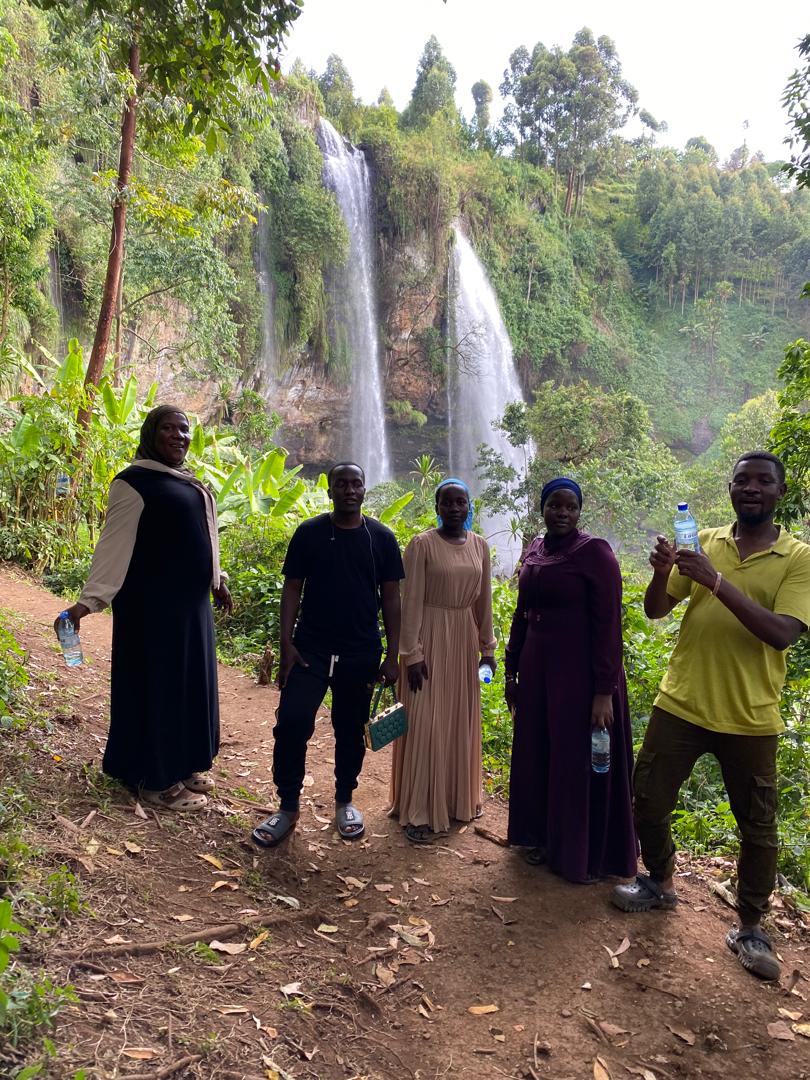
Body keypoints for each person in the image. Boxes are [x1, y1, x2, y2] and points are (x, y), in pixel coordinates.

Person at [612, 452, 810, 981]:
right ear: (729, 489)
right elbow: (657, 609)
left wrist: (717, 582)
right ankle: (659, 882)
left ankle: (750, 927)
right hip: (682, 701)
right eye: (742, 480)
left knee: (758, 829)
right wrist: (661, 574)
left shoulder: (797, 557)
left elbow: (783, 632)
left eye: (763, 481)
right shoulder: (703, 541)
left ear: (780, 493)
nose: (751, 488)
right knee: (647, 796)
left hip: (750, 715)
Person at [55, 405, 232, 810]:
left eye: (183, 429)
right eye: (168, 428)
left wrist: (216, 579)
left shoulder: (184, 480)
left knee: (188, 686)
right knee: (159, 689)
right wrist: (87, 603)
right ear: (151, 434)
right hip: (153, 612)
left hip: (191, 608)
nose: (178, 435)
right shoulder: (132, 483)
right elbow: (113, 547)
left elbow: (203, 533)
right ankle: (155, 781)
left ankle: (182, 763)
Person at [252, 462, 403, 848]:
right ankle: (287, 806)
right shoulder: (309, 533)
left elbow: (391, 599)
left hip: (360, 652)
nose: (349, 490)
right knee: (292, 721)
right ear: (330, 490)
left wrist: (392, 654)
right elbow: (292, 589)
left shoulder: (381, 539)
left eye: (356, 483)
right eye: (342, 484)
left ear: (365, 490)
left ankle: (344, 800)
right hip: (310, 650)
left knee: (350, 729)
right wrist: (286, 643)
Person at [505, 478, 637, 884]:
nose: (561, 512)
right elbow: (521, 613)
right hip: (538, 671)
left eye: (570, 506)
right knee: (541, 753)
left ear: (580, 512)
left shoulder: (595, 553)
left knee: (576, 760)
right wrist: (511, 671)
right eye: (553, 505)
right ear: (542, 509)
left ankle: (582, 853)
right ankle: (543, 837)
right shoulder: (536, 550)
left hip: (579, 676)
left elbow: (608, 625)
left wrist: (604, 692)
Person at [389, 478, 497, 843]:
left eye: (461, 502)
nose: (454, 508)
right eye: (447, 502)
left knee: (459, 719)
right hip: (429, 640)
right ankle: (418, 809)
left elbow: (484, 604)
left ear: (469, 506)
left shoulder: (480, 547)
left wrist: (488, 649)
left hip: (464, 640)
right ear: (436, 506)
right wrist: (412, 654)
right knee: (426, 722)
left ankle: (457, 800)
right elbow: (411, 601)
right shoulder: (421, 545)